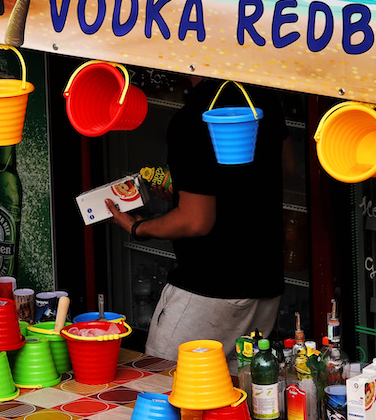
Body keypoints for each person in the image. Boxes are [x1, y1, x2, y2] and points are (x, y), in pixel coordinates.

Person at [107, 76, 288, 370]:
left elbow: (195, 221)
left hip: (211, 285)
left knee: (162, 380)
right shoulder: (260, 96)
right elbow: (286, 165)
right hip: (263, 284)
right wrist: (192, 186)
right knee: (232, 396)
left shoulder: (192, 119)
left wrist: (138, 227)